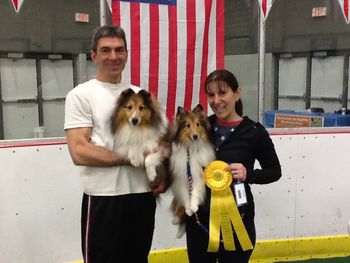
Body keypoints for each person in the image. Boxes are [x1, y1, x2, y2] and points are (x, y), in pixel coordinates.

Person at [64, 25, 169, 263]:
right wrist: (130, 157)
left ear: (127, 54)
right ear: (94, 56)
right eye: (106, 50)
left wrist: (162, 172)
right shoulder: (81, 95)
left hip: (142, 196)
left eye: (119, 50)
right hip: (104, 197)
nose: (114, 56)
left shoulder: (141, 94)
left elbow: (161, 141)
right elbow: (79, 151)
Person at [185, 69, 282, 263]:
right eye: (211, 95)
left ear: (236, 94)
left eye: (222, 93)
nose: (216, 100)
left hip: (238, 218)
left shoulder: (254, 132)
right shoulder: (199, 127)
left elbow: (274, 172)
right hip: (199, 220)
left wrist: (249, 175)